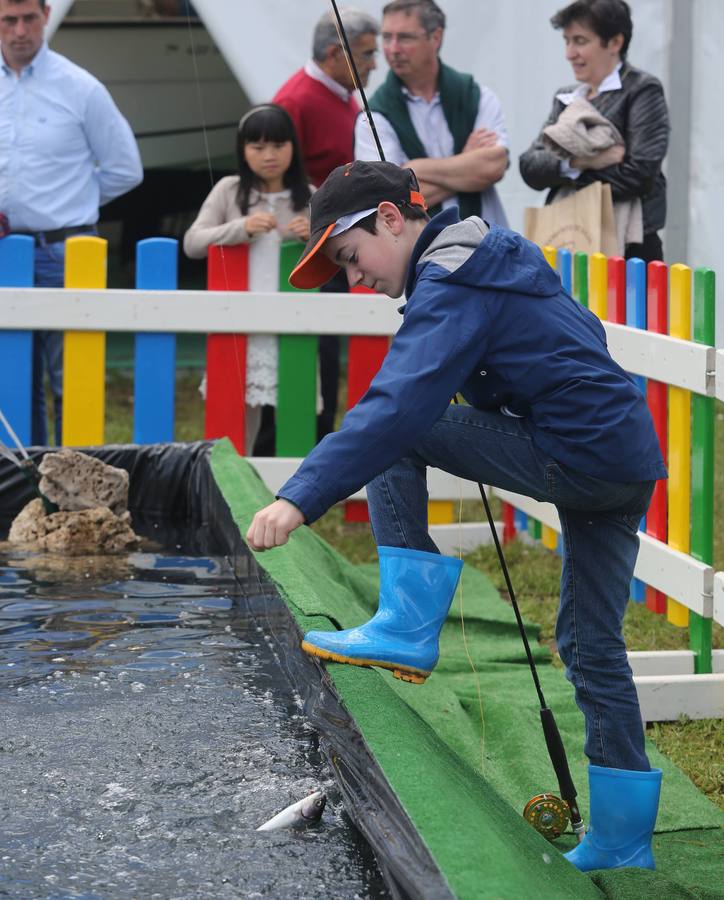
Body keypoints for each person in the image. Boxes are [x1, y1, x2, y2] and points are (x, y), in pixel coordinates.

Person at [246, 159, 666, 873]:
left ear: (389, 218)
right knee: (590, 642)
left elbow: (394, 408)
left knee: (399, 426)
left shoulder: (451, 278)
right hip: (624, 459)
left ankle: (409, 624)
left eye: (351, 258)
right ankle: (622, 843)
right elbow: (579, 337)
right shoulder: (488, 256)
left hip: (580, 455)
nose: (356, 278)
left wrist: (298, 496)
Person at [0, 0, 143, 446]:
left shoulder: (81, 87)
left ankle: (71, 493)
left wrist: (72, 204)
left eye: (28, 18)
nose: (20, 30)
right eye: (8, 19)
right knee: (13, 378)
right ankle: (24, 486)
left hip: (67, 251)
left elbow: (126, 168)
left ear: (45, 14)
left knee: (72, 379)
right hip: (6, 252)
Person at [273, 8, 380, 445]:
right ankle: (310, 440)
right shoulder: (295, 100)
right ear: (337, 53)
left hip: (341, 245)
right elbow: (277, 175)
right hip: (311, 250)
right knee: (316, 352)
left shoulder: (341, 90)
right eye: (368, 54)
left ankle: (325, 438)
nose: (376, 63)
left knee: (333, 347)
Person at [183, 104, 312, 452]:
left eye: (278, 145)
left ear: (293, 148)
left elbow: (343, 258)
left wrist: (314, 236)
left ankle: (289, 500)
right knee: (237, 417)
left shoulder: (310, 196)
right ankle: (232, 497)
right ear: (242, 150)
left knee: (298, 412)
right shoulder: (229, 191)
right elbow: (192, 242)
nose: (269, 155)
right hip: (237, 324)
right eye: (257, 147)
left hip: (295, 325)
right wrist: (240, 228)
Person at [519, 0, 669, 262]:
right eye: (567, 41)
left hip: (629, 246)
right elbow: (529, 167)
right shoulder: (565, 97)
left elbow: (640, 173)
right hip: (569, 235)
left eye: (580, 41)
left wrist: (564, 172)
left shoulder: (642, 90)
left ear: (614, 43)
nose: (569, 53)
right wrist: (583, 161)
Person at [356, 0, 509, 226]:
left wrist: (412, 170)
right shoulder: (372, 119)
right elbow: (388, 201)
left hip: (490, 245)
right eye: (387, 37)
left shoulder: (476, 96)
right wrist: (466, 164)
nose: (393, 49)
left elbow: (493, 166)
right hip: (424, 255)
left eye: (405, 37)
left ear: (435, 38)